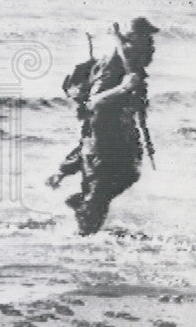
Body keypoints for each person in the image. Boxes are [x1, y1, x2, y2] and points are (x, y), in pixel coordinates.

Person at [47, 17, 159, 235]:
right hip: (104, 138)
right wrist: (124, 89)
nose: (152, 47)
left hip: (121, 135)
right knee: (98, 199)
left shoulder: (133, 65)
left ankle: (81, 205)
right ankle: (79, 241)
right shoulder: (113, 66)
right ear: (132, 41)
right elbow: (94, 102)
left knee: (130, 175)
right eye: (147, 40)